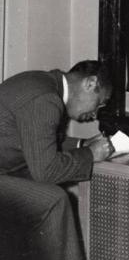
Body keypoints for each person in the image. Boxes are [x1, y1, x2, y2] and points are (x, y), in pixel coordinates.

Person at [0, 59, 115, 260]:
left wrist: (82, 145)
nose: (95, 115)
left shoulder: (43, 82)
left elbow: (38, 142)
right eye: (100, 103)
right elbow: (47, 171)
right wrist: (90, 155)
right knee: (53, 200)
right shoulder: (46, 99)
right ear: (90, 83)